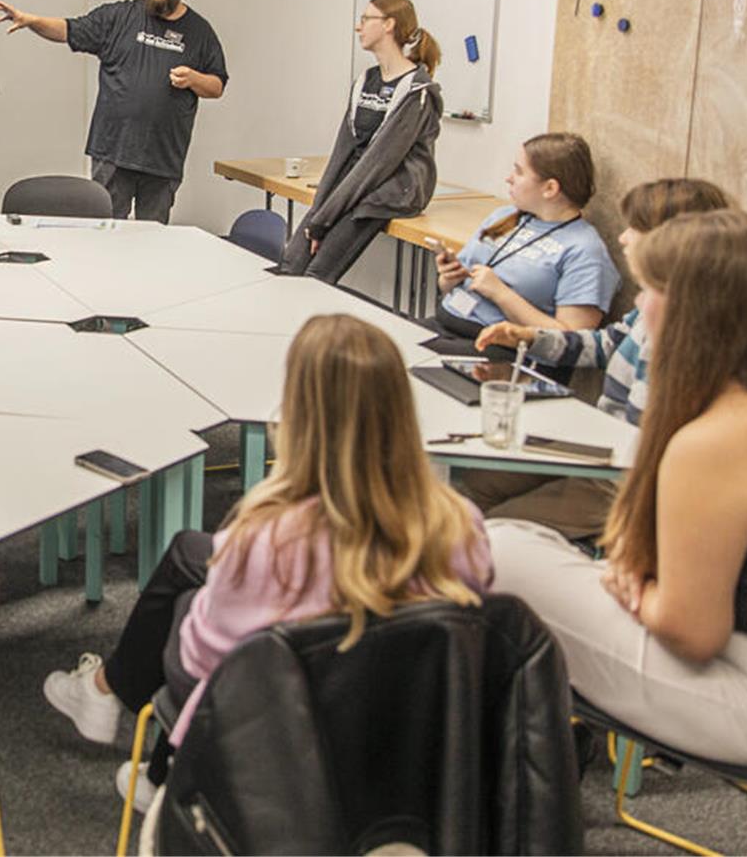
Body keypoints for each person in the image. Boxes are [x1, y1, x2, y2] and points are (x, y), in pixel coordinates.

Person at [488, 210, 747, 767]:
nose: (638, 306)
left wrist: (635, 588)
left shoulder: (716, 441)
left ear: (691, 310)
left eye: (648, 289)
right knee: (508, 543)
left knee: (489, 550)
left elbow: (692, 633)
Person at [42, 314, 494, 807]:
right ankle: (154, 761)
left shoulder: (266, 539)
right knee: (195, 568)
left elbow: (201, 660)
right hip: (405, 736)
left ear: (299, 413)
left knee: (190, 600)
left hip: (286, 731)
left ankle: (167, 770)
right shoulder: (463, 524)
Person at [455, 178, 732, 538]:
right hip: (600, 449)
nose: (623, 238)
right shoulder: (654, 302)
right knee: (463, 491)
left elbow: (646, 449)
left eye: (636, 229)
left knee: (494, 531)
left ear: (671, 241)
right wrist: (531, 337)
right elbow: (604, 345)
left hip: (624, 481)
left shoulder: (687, 331)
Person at [0, 0, 228, 223]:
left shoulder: (200, 31)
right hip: (114, 152)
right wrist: (31, 20)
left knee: (151, 241)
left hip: (163, 159)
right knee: (105, 235)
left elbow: (217, 86)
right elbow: (69, 29)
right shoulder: (120, 17)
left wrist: (194, 78)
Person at [281, 0, 443, 283]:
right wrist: (320, 212)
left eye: (367, 19)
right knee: (292, 261)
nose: (360, 27)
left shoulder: (417, 90)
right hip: (358, 183)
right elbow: (343, 152)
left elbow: (380, 162)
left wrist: (325, 220)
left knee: (316, 274)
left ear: (389, 25)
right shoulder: (365, 80)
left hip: (392, 189)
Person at [432, 132, 618, 352]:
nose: (509, 178)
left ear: (550, 188)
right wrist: (449, 278)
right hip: (446, 323)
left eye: (519, 172)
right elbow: (449, 287)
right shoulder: (505, 216)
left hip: (496, 347)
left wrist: (501, 294)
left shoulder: (585, 251)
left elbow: (571, 343)